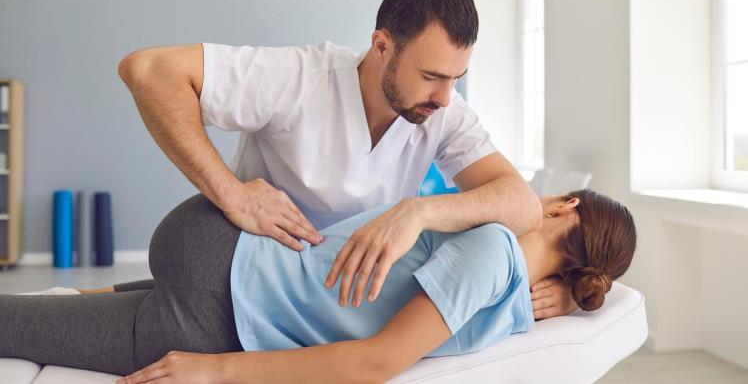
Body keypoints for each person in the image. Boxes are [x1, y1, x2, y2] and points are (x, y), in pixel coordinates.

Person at [116, 0, 578, 318]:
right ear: (381, 47)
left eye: (456, 78)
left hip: (333, 298)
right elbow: (149, 71)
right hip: (243, 276)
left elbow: (521, 203)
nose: (444, 96)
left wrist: (418, 211)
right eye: (431, 76)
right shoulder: (299, 77)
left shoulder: (443, 109)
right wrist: (232, 194)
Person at [0, 189, 636, 383]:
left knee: (29, 320)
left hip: (220, 273)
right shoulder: (507, 278)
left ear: (565, 206)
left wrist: (215, 371)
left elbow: (375, 361)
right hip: (219, 291)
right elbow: (377, 358)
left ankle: (86, 301)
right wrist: (214, 368)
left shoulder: (494, 254)